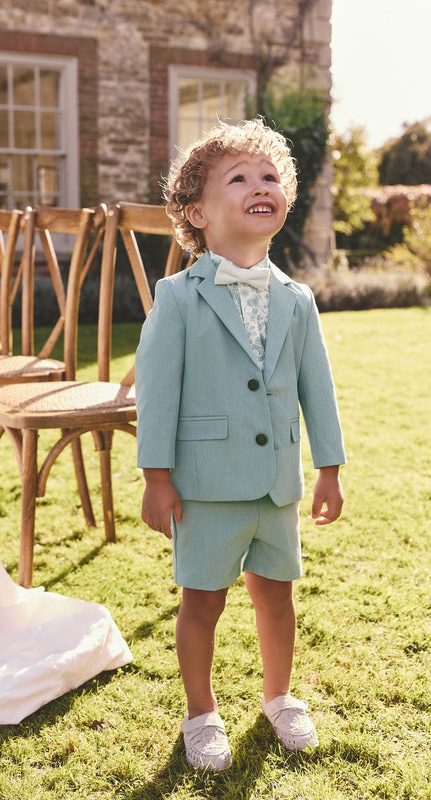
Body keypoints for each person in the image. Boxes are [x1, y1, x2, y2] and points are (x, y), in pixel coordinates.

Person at [135, 118, 346, 771]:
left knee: (276, 594)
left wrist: (330, 468)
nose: (262, 186)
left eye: (270, 177)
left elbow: (319, 388)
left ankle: (278, 697)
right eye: (240, 178)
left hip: (277, 481)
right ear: (196, 212)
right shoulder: (176, 298)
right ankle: (201, 714)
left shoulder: (298, 299)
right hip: (205, 484)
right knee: (203, 601)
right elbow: (158, 392)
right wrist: (157, 477)